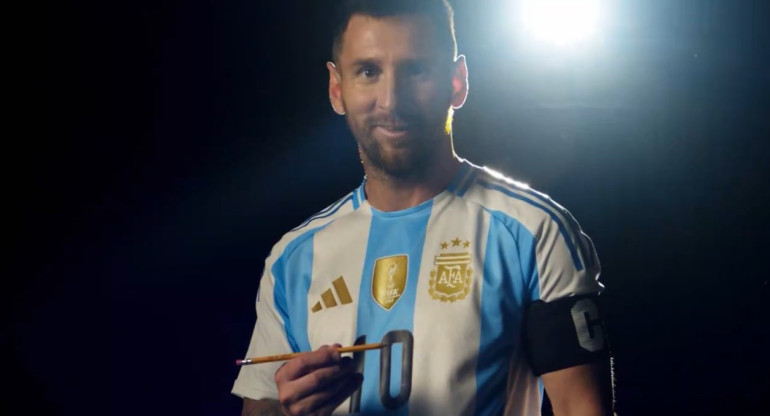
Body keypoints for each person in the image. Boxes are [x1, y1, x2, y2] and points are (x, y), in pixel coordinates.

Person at [232, 0, 614, 415]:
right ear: (336, 88)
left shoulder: (534, 232)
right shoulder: (292, 259)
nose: (391, 99)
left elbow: (584, 408)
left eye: (416, 70)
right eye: (368, 71)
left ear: (457, 82)